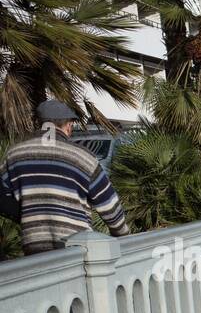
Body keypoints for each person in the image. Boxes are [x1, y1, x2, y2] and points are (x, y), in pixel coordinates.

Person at [0, 99, 130, 255]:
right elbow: (109, 205)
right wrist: (122, 235)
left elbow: (3, 198)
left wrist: (30, 213)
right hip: (77, 250)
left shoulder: (14, 155)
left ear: (40, 123)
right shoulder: (82, 157)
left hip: (35, 249)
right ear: (68, 125)